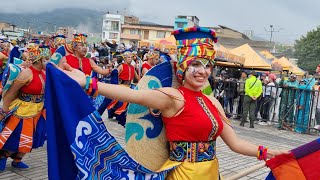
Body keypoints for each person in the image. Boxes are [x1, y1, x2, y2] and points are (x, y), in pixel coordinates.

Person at [60, 27, 287, 179]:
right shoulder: (173, 97)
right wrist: (88, 82)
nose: (202, 71)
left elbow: (235, 144)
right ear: (183, 66)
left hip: (211, 172)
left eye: (207, 65)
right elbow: (131, 95)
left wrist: (269, 152)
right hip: (183, 173)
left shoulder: (212, 101)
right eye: (195, 64)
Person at [0, 42, 47, 170]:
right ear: (39, 60)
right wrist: (5, 107)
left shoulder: (44, 73)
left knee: (34, 137)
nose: (48, 62)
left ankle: (17, 159)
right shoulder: (26, 73)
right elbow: (11, 92)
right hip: (22, 110)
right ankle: (3, 156)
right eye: (46, 59)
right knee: (15, 136)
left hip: (39, 110)